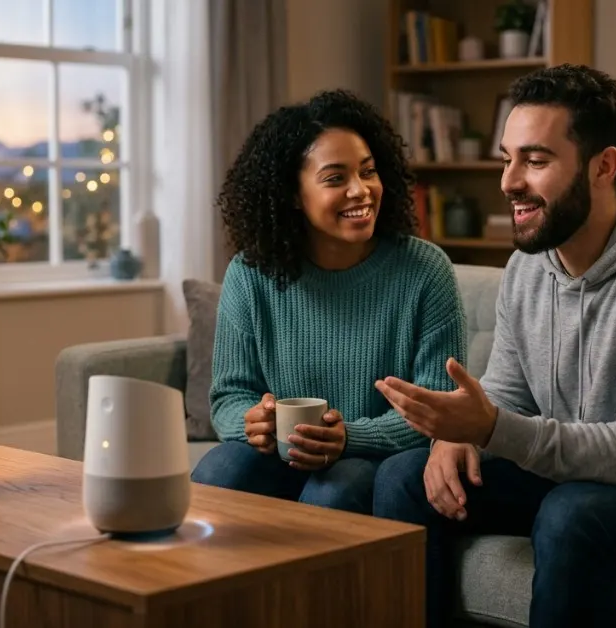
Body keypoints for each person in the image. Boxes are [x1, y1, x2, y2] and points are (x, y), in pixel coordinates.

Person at [371, 65, 616, 627]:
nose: (509, 181)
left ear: (603, 165)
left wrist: (488, 430)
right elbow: (507, 395)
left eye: (535, 161)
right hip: (581, 477)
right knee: (402, 478)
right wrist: (453, 437)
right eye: (507, 158)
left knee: (573, 512)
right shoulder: (527, 266)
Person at [190, 89, 467, 517]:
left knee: (333, 492)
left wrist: (348, 437)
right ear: (292, 194)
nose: (361, 191)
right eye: (336, 178)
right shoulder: (251, 273)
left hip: (371, 459)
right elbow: (229, 395)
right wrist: (253, 423)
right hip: (279, 457)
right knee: (218, 472)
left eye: (368, 172)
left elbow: (439, 407)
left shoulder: (424, 271)